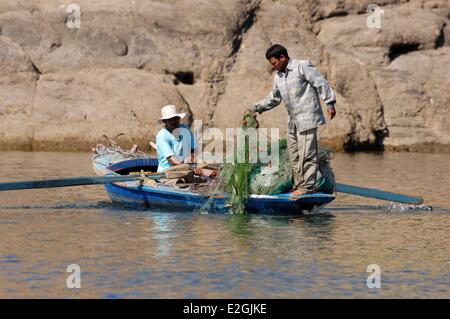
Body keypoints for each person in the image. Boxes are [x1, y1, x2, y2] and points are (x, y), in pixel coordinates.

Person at [248, 44, 336, 195]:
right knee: (294, 155)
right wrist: (256, 108)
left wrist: (330, 103)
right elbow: (274, 98)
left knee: (307, 153)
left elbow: (320, 82)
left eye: (274, 63)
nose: (274, 67)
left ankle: (307, 188)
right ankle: (298, 185)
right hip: (292, 121)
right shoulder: (279, 77)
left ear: (283, 57)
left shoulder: (302, 67)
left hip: (308, 117)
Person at [155, 104, 203, 182]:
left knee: (202, 181)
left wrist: (194, 164)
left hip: (186, 170)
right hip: (167, 174)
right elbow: (172, 160)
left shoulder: (185, 129)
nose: (174, 121)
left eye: (176, 118)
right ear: (165, 121)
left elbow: (193, 150)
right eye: (170, 119)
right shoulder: (162, 136)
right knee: (180, 183)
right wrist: (190, 168)